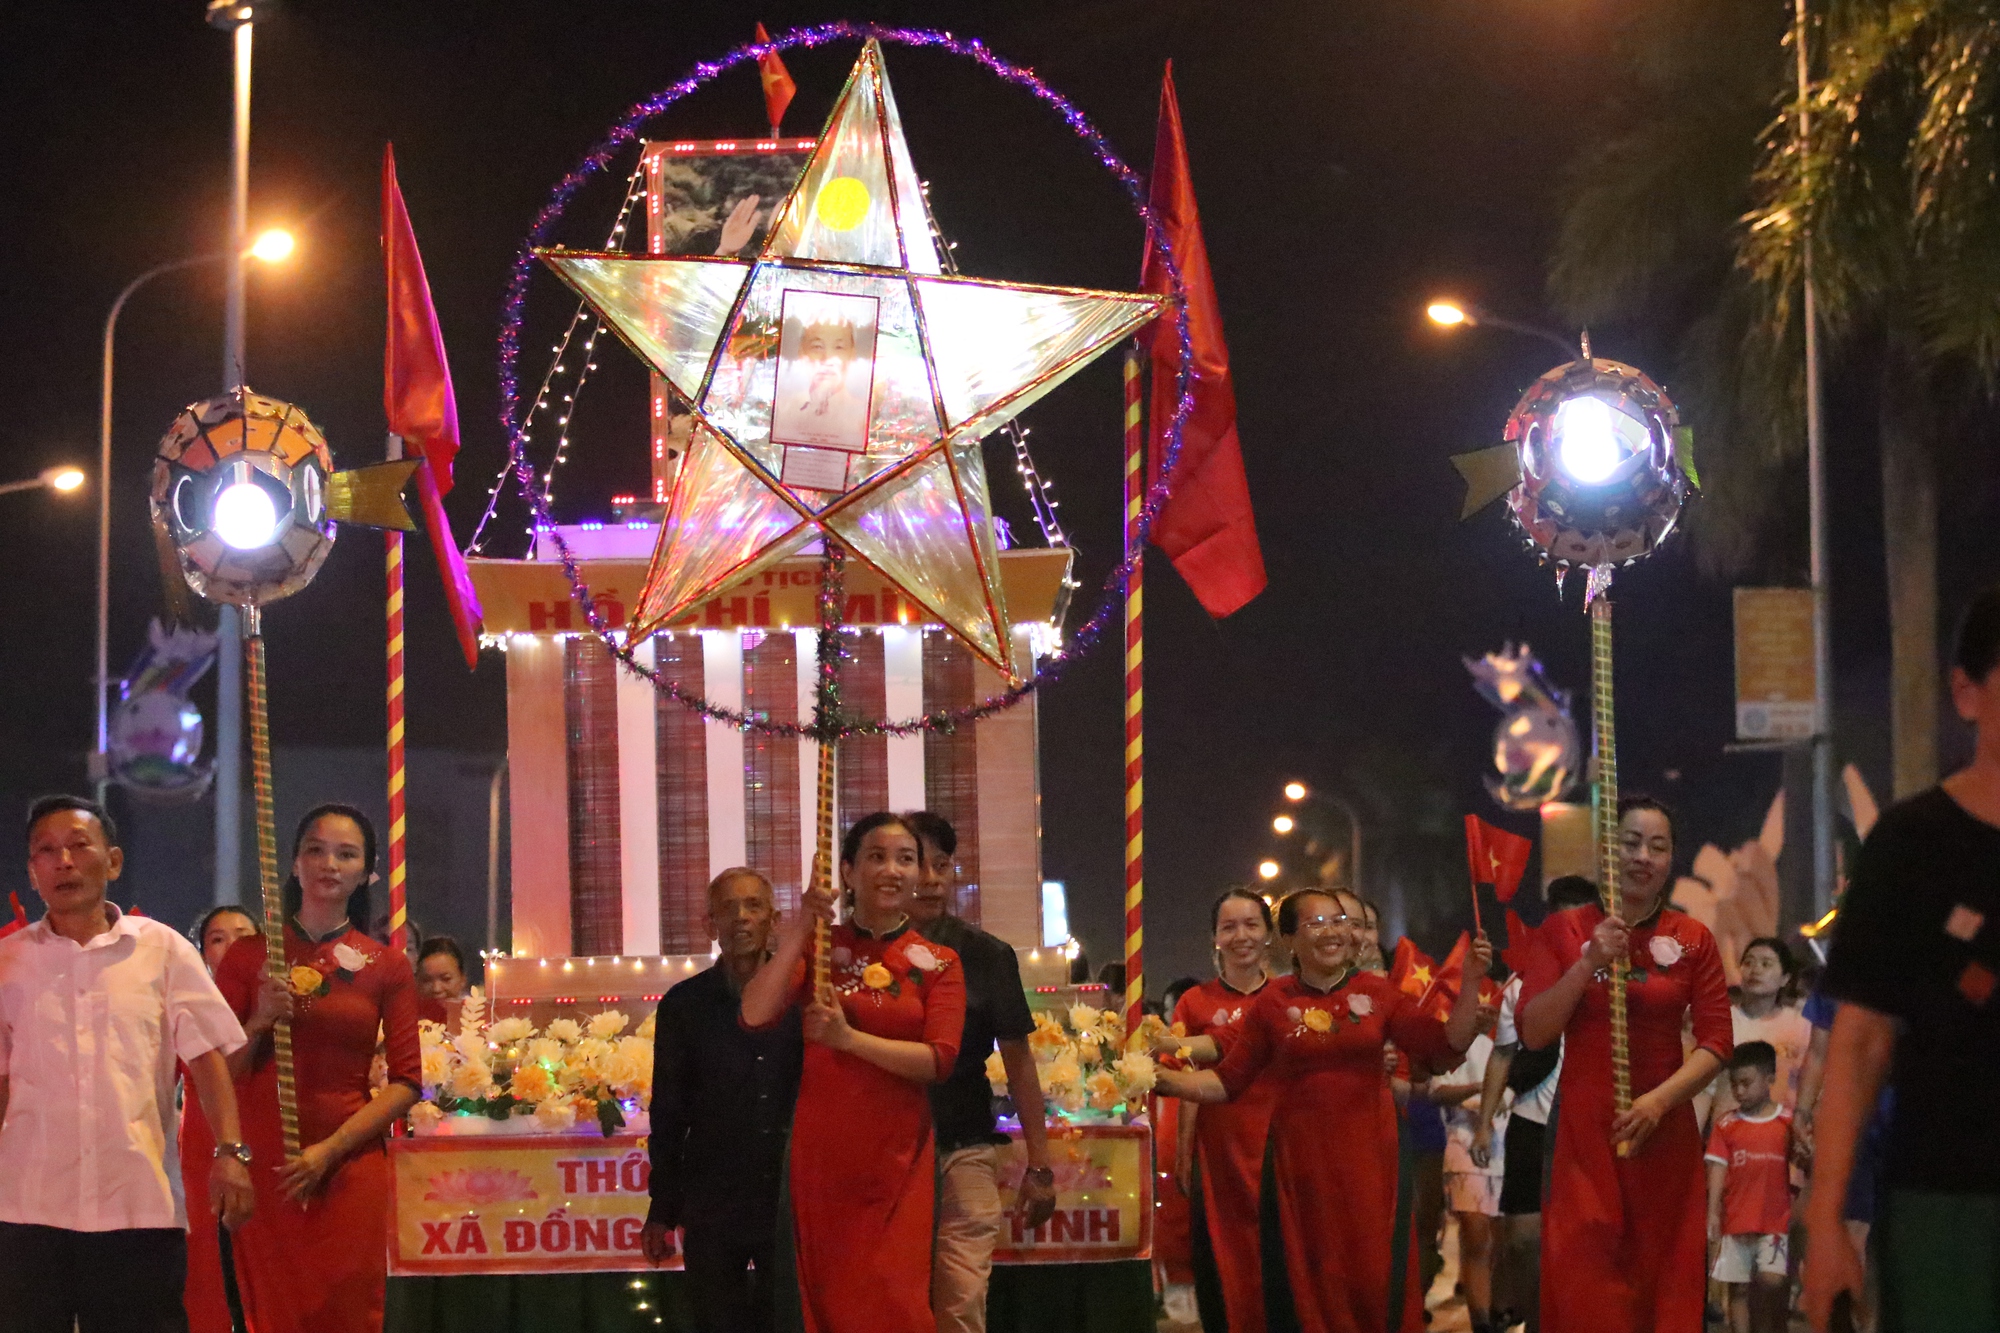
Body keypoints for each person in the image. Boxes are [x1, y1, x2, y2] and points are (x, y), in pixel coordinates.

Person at [1156, 889, 1491, 1333]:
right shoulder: (1274, 1003)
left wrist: (1470, 982)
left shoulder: (1378, 994)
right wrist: (1161, 1079)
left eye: (1339, 921)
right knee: (1306, 1281)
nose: (1332, 932)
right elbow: (1226, 1079)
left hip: (1372, 1167)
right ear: (1290, 939)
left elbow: (1446, 1043)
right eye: (1316, 924)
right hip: (1299, 1171)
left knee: (1372, 1279)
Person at [1801, 588, 2000, 1333]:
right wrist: (1826, 1226)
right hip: (1945, 1203)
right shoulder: (1912, 845)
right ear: (1967, 692)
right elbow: (1859, 1043)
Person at [0, 796, 254, 1333]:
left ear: (112, 861)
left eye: (77, 846)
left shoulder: (162, 951)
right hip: (27, 1208)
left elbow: (207, 1062)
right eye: (46, 852)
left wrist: (231, 1153)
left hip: (138, 1205)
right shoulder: (9, 963)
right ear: (31, 871)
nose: (63, 862)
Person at [741, 813, 967, 1333]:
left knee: (896, 1300)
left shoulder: (938, 962)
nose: (892, 870)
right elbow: (754, 1013)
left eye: (906, 859)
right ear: (846, 871)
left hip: (900, 1158)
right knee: (826, 1304)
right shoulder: (821, 950)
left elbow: (939, 1060)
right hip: (822, 1156)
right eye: (876, 857)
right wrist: (802, 923)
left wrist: (849, 1040)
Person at [1517, 796, 1734, 1333]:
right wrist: (1589, 961)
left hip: (1663, 1130)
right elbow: (1534, 1030)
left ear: (1671, 859)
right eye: (1630, 842)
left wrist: (1659, 1102)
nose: (1643, 856)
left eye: (1657, 847)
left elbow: (1716, 1043)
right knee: (1586, 1276)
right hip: (1584, 1134)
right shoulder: (1565, 931)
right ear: (1606, 851)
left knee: (1664, 1279)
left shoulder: (1692, 938)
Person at [215, 803, 422, 1333]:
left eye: (346, 854)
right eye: (316, 849)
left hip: (347, 1161)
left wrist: (330, 1151)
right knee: (274, 1312)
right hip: (267, 1164)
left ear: (365, 872)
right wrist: (259, 1020)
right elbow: (217, 1070)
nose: (329, 863)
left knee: (347, 1307)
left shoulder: (386, 964)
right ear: (292, 864)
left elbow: (406, 1082)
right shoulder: (249, 956)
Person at [902, 811, 1056, 1333]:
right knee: (890, 1297)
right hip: (884, 1151)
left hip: (964, 1146)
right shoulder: (862, 954)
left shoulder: (987, 956)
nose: (929, 879)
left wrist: (1040, 1166)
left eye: (940, 865)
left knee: (961, 1300)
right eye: (914, 863)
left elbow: (1019, 1065)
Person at [643, 868, 803, 1332]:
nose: (741, 918)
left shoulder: (803, 995)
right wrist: (662, 1210)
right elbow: (669, 1113)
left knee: (789, 1321)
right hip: (714, 1196)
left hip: (788, 1194)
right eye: (728, 909)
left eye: (753, 906)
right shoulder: (683, 1005)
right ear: (709, 925)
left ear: (775, 920)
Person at [1471, 874, 1602, 1333]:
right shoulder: (1523, 982)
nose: (1570, 928)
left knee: (1586, 1239)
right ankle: (1537, 1321)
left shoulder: (1614, 982)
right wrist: (1485, 1123)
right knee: (1524, 1239)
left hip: (1591, 1127)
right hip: (1532, 1123)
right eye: (1560, 918)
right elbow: (1503, 1054)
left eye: (1579, 919)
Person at [1152, 887, 1281, 1333]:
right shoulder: (1194, 1004)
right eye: (1229, 927)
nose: (1241, 935)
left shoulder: (1288, 998)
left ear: (1269, 935)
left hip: (1280, 1147)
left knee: (1279, 1254)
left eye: (1251, 924)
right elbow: (1179, 1081)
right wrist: (1184, 1152)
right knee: (1223, 1258)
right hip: (1220, 1151)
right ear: (1215, 938)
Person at [184, 906, 260, 1333]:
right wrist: (260, 1021)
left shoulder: (285, 996)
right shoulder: (190, 1001)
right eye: (218, 937)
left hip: (266, 1134)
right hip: (207, 1137)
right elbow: (214, 1071)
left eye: (244, 935)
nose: (232, 945)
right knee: (209, 1251)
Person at [1706, 1041, 1795, 1333]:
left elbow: (1805, 1161)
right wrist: (1713, 1212)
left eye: (1746, 1083)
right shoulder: (1726, 1126)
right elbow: (1718, 1167)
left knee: (1772, 1281)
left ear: (1770, 1079)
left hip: (1775, 1221)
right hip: (1736, 1219)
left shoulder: (1787, 1121)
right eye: (1734, 1085)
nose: (1739, 1091)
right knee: (1738, 1290)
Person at [1434, 1012, 1505, 1333]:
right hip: (1464, 1142)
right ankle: (1482, 1323)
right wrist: (1480, 1088)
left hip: (1505, 1145)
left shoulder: (1506, 1044)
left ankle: (1497, 1305)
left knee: (1500, 1235)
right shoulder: (1450, 1049)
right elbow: (1435, 1091)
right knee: (1476, 1232)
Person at [1704, 937, 1812, 1131]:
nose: (1756, 969)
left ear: (1785, 978)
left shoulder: (1800, 1027)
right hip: (1728, 1136)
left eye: (1766, 964)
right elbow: (1703, 1088)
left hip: (1782, 1134)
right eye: (1748, 962)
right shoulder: (1721, 1021)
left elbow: (1812, 1083)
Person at [414, 935, 470, 1027]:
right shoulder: (404, 1023)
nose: (436, 989)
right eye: (427, 980)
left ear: (462, 979)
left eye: (446, 979)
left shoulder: (478, 1022)